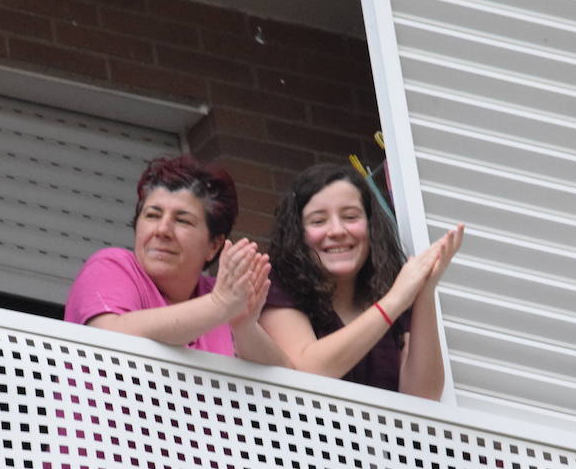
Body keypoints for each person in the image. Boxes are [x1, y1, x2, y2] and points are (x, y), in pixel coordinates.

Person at [260, 162, 463, 399]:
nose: (336, 230)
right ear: (298, 234)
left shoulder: (393, 291)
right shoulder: (277, 283)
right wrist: (394, 301)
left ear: (371, 226)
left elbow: (424, 395)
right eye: (318, 221)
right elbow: (308, 370)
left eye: (350, 216)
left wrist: (426, 290)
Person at [65, 154, 285, 367]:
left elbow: (289, 382)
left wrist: (244, 327)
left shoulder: (222, 294)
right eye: (152, 215)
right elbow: (108, 336)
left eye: (182, 221)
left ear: (214, 245)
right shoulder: (112, 265)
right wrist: (219, 305)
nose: (162, 230)